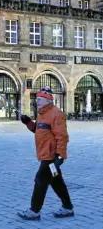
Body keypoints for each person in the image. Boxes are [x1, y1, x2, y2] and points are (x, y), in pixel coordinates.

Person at [17, 87, 74, 220]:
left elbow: (62, 137)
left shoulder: (56, 114)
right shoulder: (42, 114)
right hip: (45, 155)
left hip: (51, 157)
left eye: (40, 99)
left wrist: (60, 156)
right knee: (56, 182)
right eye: (36, 99)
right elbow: (38, 130)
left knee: (40, 181)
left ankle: (34, 211)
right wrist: (28, 123)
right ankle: (67, 207)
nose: (37, 102)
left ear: (48, 101)